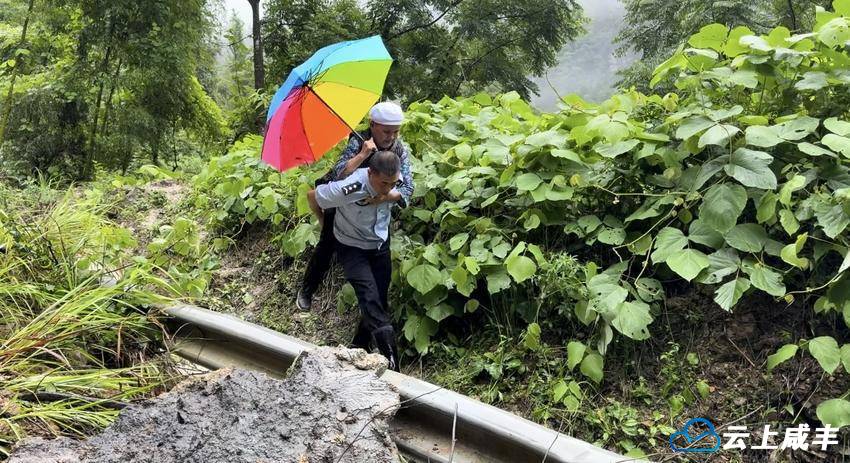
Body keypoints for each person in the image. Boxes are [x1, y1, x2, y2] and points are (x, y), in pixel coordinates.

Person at [296, 101, 414, 310]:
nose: (391, 137)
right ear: (373, 125)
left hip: (376, 211)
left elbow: (407, 189)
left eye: (396, 132)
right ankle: (307, 289)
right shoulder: (358, 141)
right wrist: (362, 155)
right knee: (327, 244)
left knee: (379, 258)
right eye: (386, 131)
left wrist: (384, 198)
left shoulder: (399, 150)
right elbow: (338, 173)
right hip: (345, 200)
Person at [306, 150, 403, 371]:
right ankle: (393, 364)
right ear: (370, 173)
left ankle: (359, 345)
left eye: (392, 183)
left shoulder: (394, 176)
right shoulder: (351, 187)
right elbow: (313, 196)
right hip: (351, 247)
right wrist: (324, 223)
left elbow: (403, 189)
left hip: (379, 243)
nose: (388, 188)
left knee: (379, 297)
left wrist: (388, 195)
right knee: (369, 296)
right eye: (383, 183)